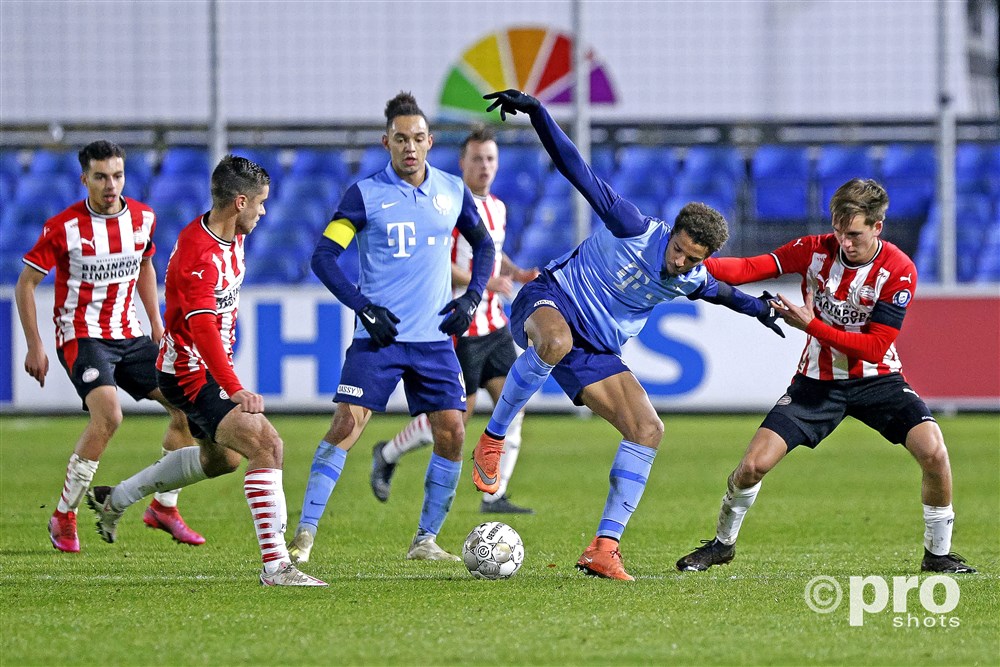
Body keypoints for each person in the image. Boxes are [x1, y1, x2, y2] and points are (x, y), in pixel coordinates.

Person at [474, 90, 784, 580]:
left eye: (692, 259)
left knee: (648, 430)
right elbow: (576, 168)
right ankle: (493, 437)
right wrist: (537, 112)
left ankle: (604, 546)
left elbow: (722, 293)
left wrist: (760, 308)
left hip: (596, 348)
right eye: (679, 250)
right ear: (673, 233)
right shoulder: (633, 226)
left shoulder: (690, 276)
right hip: (551, 300)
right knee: (555, 343)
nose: (680, 262)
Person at [675, 178, 977, 574]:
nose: (844, 242)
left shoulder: (898, 270)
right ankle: (721, 545)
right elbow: (750, 267)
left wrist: (810, 325)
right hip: (816, 382)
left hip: (878, 380)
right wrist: (694, 264)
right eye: (838, 230)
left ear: (876, 227)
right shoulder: (814, 249)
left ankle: (938, 554)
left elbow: (872, 347)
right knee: (752, 466)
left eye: (853, 234)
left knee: (934, 451)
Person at [85, 155, 326, 586]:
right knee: (267, 444)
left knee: (223, 460)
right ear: (239, 202)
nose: (264, 211)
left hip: (198, 369)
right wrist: (233, 388)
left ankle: (116, 498)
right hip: (189, 374)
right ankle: (277, 567)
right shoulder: (199, 254)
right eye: (260, 203)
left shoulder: (231, 236)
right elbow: (202, 328)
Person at [286, 92, 496, 564]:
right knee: (345, 424)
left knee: (453, 432)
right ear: (387, 142)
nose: (410, 148)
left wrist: (473, 297)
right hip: (378, 339)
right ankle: (303, 536)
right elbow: (323, 257)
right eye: (401, 139)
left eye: (418, 139)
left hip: (433, 339)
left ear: (430, 141)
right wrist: (362, 307)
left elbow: (483, 247)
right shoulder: (365, 196)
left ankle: (425, 541)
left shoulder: (451, 190)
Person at [15, 140, 204, 553]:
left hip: (129, 334)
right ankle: (64, 514)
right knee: (109, 416)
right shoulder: (63, 227)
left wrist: (156, 321)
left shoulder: (142, 218)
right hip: (81, 336)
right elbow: (25, 284)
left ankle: (164, 507)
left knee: (188, 409)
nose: (110, 185)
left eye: (117, 175)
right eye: (100, 176)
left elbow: (145, 265)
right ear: (85, 179)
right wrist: (35, 344)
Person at [369, 124, 540, 515]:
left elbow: (492, 253)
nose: (484, 166)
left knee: (515, 403)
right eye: (477, 158)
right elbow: (435, 263)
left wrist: (513, 273)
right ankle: (389, 452)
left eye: (491, 158)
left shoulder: (497, 208)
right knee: (454, 419)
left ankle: (493, 494)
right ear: (462, 162)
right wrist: (484, 280)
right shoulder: (446, 205)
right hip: (459, 327)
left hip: (494, 326)